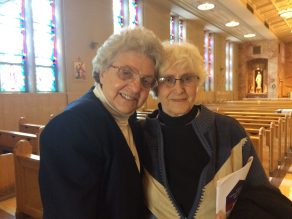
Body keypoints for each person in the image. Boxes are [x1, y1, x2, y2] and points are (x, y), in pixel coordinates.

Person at [140, 42, 280, 219]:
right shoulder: (139, 135)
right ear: (154, 87)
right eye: (167, 79)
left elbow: (259, 193)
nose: (179, 89)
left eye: (187, 78)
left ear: (198, 82)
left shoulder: (229, 130)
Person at [39, 27, 163, 219]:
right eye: (126, 73)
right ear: (102, 70)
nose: (136, 87)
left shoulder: (130, 120)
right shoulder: (71, 127)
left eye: (146, 80)